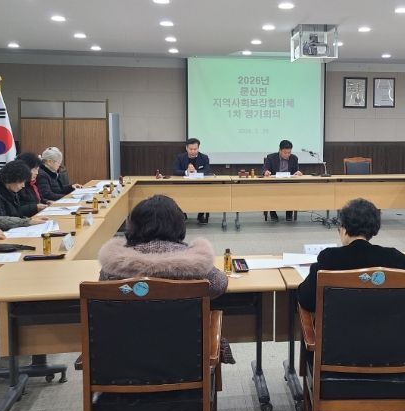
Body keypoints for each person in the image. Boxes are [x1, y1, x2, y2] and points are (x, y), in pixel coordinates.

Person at [296, 198, 405, 411]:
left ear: (344, 228)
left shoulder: (329, 259)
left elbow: (306, 300)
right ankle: (375, 409)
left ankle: (349, 409)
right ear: (374, 229)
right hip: (389, 355)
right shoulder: (397, 260)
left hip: (338, 358)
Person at [97, 194, 234, 363]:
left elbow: (104, 288)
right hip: (186, 358)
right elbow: (220, 284)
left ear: (133, 226)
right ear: (179, 225)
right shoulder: (195, 265)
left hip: (127, 357)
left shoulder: (113, 266)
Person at [173, 138, 211, 224]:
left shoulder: (204, 157)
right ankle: (182, 214)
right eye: (191, 149)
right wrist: (186, 172)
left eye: (195, 149)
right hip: (184, 185)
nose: (193, 151)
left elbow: (207, 170)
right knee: (178, 193)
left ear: (198, 148)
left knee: (205, 192)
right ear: (186, 148)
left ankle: (201, 215)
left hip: (200, 185)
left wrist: (195, 172)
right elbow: (175, 170)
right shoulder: (180, 157)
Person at [262, 140, 302, 221]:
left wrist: (298, 173)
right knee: (270, 191)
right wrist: (266, 172)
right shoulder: (271, 157)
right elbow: (264, 169)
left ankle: (289, 213)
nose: (287, 155)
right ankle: (273, 213)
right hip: (274, 183)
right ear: (279, 150)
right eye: (285, 152)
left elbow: (296, 172)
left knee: (293, 190)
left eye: (289, 152)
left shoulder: (294, 158)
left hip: (289, 183)